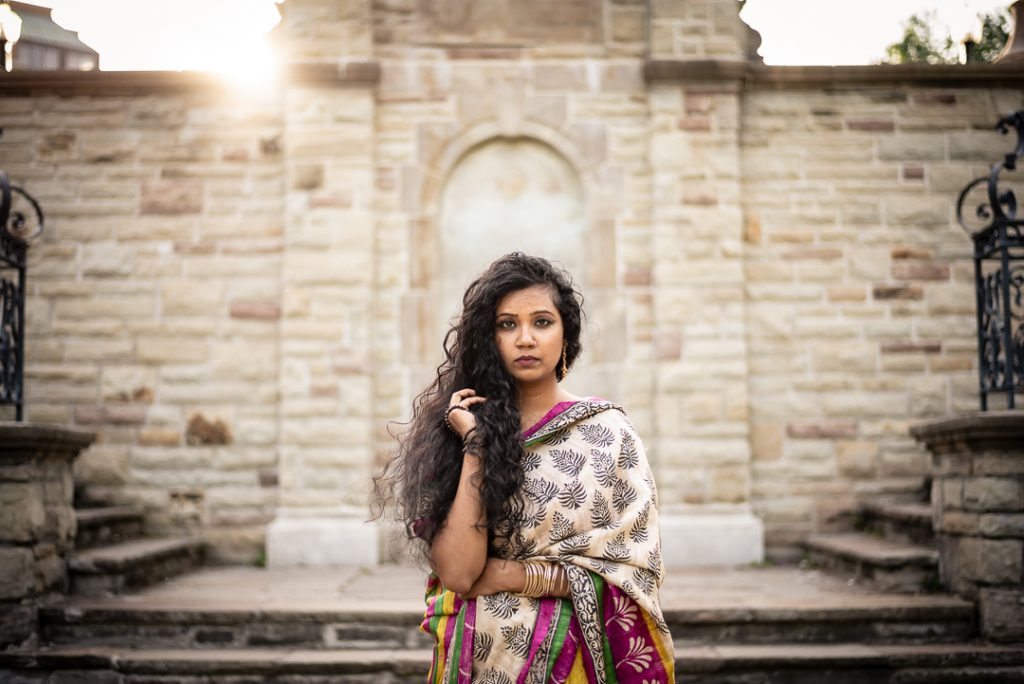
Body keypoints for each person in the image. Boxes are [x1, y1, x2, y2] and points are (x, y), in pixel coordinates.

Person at [373, 253, 675, 683]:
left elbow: (632, 570)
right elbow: (459, 574)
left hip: (576, 665)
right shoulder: (457, 432)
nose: (526, 339)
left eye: (542, 322)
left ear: (566, 334)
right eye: (507, 324)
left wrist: (512, 574)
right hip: (481, 658)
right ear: (488, 338)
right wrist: (476, 446)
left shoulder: (608, 432)